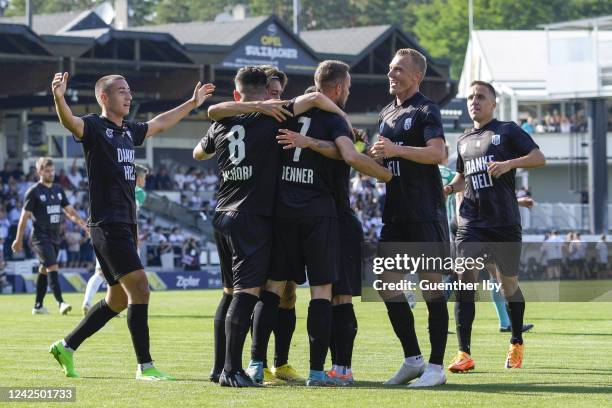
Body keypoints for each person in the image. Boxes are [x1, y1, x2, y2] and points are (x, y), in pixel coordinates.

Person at [48, 71, 214, 380]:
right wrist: (59, 99)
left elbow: (160, 123)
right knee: (140, 287)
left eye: (129, 91)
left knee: (118, 299)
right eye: (122, 91)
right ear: (104, 97)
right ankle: (145, 366)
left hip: (126, 222)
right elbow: (69, 122)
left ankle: (66, 346)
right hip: (107, 223)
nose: (129, 96)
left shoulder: (128, 131)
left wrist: (192, 102)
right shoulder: (95, 127)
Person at [194, 65, 346, 387]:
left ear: (237, 93)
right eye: (272, 94)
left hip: (222, 212)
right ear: (265, 93)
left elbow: (198, 152)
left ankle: (221, 366)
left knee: (229, 293)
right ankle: (234, 370)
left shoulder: (223, 120)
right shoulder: (270, 115)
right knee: (247, 294)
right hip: (252, 216)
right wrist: (343, 120)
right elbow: (316, 97)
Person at [272, 63, 392, 385]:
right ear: (338, 88)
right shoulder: (336, 119)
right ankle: (340, 368)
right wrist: (387, 175)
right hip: (334, 218)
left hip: (290, 216)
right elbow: (350, 156)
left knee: (285, 292)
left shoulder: (290, 115)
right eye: (348, 87)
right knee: (338, 297)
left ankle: (269, 363)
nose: (349, 93)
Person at [444, 80, 545, 373]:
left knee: (508, 285)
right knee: (465, 280)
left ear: (493, 103)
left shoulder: (508, 130)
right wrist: (449, 190)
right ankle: (464, 353)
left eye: (480, 97)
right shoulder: (463, 140)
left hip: (504, 222)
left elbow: (539, 158)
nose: (474, 101)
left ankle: (515, 342)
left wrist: (510, 164)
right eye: (471, 97)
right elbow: (462, 177)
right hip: (472, 221)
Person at [370, 48, 450, 388]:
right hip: (395, 214)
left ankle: (436, 367)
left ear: (416, 75)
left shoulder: (426, 109)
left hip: (424, 214)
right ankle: (413, 359)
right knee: (387, 285)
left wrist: (395, 150)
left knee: (431, 289)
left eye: (398, 69)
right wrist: (368, 155)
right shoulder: (386, 113)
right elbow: (383, 168)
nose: (391, 74)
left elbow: (439, 153)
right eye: (390, 68)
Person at [12, 157, 88, 315]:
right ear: (39, 172)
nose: (51, 173)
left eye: (52, 170)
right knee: (53, 267)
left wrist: (83, 225)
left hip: (55, 237)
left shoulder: (58, 189)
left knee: (44, 270)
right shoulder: (33, 192)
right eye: (47, 171)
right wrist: (18, 239)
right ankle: (61, 302)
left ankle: (38, 306)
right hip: (40, 237)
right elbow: (24, 217)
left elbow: (70, 212)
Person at [82, 164, 149, 315]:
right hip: (124, 235)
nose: (144, 181)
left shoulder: (113, 186)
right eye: (144, 178)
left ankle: (87, 301)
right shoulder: (139, 193)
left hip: (102, 231)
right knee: (125, 276)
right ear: (137, 178)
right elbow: (132, 216)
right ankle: (117, 306)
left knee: (101, 273)